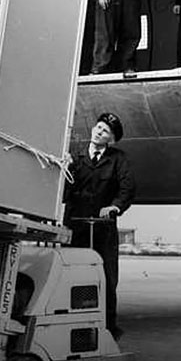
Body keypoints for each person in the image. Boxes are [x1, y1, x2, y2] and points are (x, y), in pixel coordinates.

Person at [63, 112, 135, 340]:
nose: (98, 132)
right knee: (71, 276)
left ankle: (107, 330)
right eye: (98, 127)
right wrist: (64, 169)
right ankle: (72, 326)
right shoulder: (76, 159)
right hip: (76, 227)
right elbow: (64, 190)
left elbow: (127, 187)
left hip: (103, 229)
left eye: (104, 131)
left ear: (111, 140)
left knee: (106, 277)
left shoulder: (118, 159)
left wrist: (115, 206)